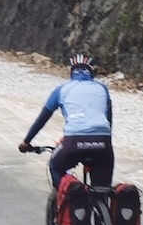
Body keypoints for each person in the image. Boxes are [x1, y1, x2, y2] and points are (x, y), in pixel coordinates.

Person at [17, 51, 114, 189]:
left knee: (55, 166)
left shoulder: (62, 90)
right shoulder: (102, 89)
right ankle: (103, 206)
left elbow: (42, 119)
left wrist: (26, 142)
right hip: (103, 142)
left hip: (74, 141)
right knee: (103, 188)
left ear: (72, 72)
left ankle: (66, 197)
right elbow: (108, 122)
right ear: (91, 72)